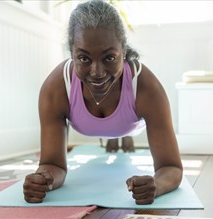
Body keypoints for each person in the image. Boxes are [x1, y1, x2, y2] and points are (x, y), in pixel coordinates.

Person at [23, 0, 182, 205]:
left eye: (109, 57)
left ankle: (121, 140)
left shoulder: (145, 87)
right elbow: (53, 164)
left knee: (124, 139)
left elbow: (172, 167)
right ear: (71, 53)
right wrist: (43, 180)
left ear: (123, 51)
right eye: (83, 59)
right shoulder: (56, 88)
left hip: (130, 125)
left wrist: (157, 185)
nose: (97, 72)